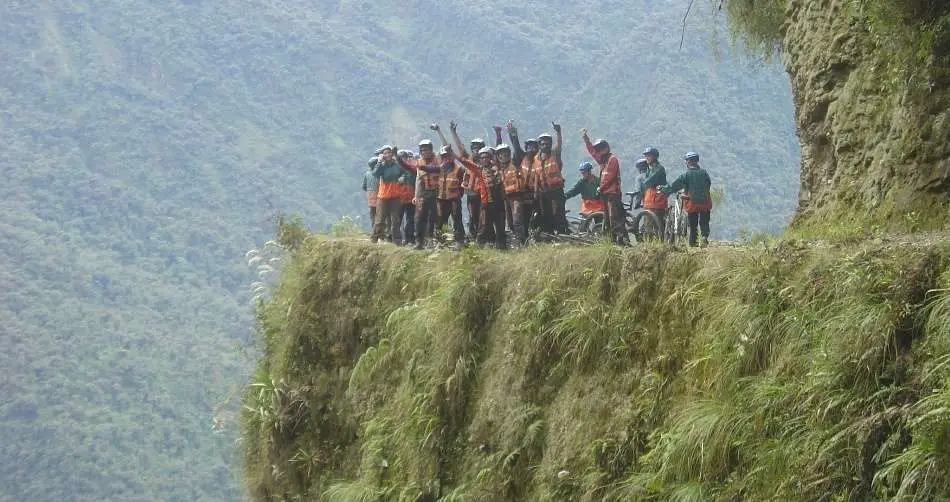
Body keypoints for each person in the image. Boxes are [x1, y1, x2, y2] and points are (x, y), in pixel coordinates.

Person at [452, 147, 507, 250]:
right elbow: (465, 162)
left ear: (490, 157)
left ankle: (502, 247)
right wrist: (453, 153)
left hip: (499, 203)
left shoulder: (497, 168)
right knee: (484, 225)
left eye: (486, 157)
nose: (484, 159)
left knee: (500, 225)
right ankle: (481, 246)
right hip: (486, 203)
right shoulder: (479, 170)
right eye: (482, 158)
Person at [582, 130, 629, 244]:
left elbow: (610, 177)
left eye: (600, 149)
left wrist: (601, 187)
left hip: (613, 193)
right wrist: (586, 139)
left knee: (615, 218)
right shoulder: (603, 160)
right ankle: (612, 240)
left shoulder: (612, 159)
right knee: (607, 218)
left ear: (606, 148)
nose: (598, 152)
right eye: (598, 150)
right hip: (605, 193)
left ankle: (623, 240)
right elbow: (592, 152)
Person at [662, 152, 713, 247]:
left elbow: (674, 186)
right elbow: (708, 184)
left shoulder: (686, 175)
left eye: (686, 161)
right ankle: (704, 237)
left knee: (693, 225)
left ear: (689, 162)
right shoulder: (704, 172)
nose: (686, 163)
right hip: (705, 202)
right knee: (704, 222)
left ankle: (693, 243)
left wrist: (665, 191)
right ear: (697, 161)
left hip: (692, 204)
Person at [400, 139, 442, 249]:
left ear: (431, 150)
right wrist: (416, 195)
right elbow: (413, 173)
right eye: (422, 150)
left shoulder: (437, 160)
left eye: (427, 150)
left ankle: (430, 240)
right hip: (422, 194)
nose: (424, 152)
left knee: (432, 218)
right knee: (418, 218)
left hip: (435, 193)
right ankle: (419, 242)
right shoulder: (418, 162)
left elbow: (437, 169)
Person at [449, 122, 486, 241]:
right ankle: (473, 236)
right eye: (474, 148)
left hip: (483, 194)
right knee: (473, 216)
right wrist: (453, 132)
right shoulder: (468, 159)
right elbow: (460, 147)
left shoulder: (485, 162)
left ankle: (483, 237)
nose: (476, 150)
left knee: (483, 217)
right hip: (470, 194)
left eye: (478, 148)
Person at [372, 145, 415, 244]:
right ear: (382, 155)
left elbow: (407, 171)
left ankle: (397, 241)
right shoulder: (381, 166)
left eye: (389, 152)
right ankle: (374, 239)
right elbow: (375, 174)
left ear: (392, 153)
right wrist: (379, 161)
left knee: (395, 220)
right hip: (383, 196)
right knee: (380, 219)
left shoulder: (397, 165)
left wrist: (403, 178)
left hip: (395, 196)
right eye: (385, 153)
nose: (387, 155)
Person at [531, 123, 565, 233]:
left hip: (556, 189)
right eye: (543, 144)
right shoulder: (536, 159)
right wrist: (536, 192)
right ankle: (549, 235)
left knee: (558, 212)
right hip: (543, 192)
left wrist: (558, 132)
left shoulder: (555, 154)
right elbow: (536, 175)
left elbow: (559, 144)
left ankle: (561, 233)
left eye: (548, 143)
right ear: (539, 145)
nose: (545, 145)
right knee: (546, 214)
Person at [497, 142, 531, 244]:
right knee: (510, 222)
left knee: (517, 220)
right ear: (498, 156)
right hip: (506, 198)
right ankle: (517, 239)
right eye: (501, 154)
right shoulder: (499, 168)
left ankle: (521, 242)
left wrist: (513, 135)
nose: (504, 155)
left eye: (506, 153)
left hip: (517, 197)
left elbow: (517, 150)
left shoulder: (515, 163)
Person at [435, 145, 466, 245]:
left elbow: (462, 184)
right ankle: (441, 241)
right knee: (440, 220)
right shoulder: (437, 169)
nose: (446, 159)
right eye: (444, 157)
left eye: (448, 156)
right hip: (440, 199)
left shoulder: (459, 170)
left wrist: (458, 195)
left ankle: (460, 241)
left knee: (457, 219)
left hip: (454, 199)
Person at [564, 162, 606, 233]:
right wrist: (564, 196)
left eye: (584, 172)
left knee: (600, 225)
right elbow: (573, 191)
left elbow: (603, 192)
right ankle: (583, 236)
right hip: (587, 208)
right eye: (582, 172)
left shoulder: (598, 181)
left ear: (589, 171)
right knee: (583, 226)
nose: (583, 174)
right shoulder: (581, 183)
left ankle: (600, 237)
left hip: (598, 207)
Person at [641, 147, 668, 230]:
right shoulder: (649, 168)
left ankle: (659, 241)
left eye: (649, 156)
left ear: (655, 157)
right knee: (648, 223)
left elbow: (648, 181)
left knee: (657, 223)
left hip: (657, 200)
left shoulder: (659, 168)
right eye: (646, 156)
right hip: (649, 200)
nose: (647, 158)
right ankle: (649, 241)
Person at [395, 150, 417, 246]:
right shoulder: (396, 169)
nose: (406, 159)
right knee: (398, 219)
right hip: (399, 198)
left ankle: (409, 239)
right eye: (404, 157)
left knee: (410, 219)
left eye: (406, 157)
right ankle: (396, 239)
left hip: (410, 198)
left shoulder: (411, 169)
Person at [363, 157, 380, 227]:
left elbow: (364, 186)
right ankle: (381, 232)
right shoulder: (378, 174)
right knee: (380, 215)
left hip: (370, 197)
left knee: (372, 214)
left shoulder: (367, 174)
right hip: (378, 195)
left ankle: (374, 230)